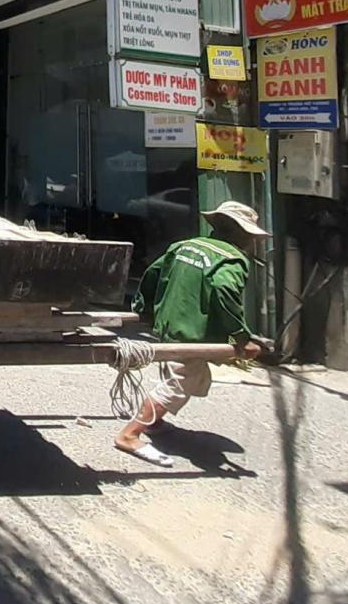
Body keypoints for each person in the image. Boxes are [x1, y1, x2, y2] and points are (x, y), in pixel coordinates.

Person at [114, 200, 268, 468]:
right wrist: (241, 338)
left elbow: (152, 273)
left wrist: (144, 308)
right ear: (241, 234)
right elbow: (223, 290)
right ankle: (130, 434)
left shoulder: (185, 245)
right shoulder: (232, 260)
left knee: (175, 372)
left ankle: (155, 421)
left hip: (168, 324)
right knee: (180, 384)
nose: (252, 243)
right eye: (251, 236)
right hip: (191, 331)